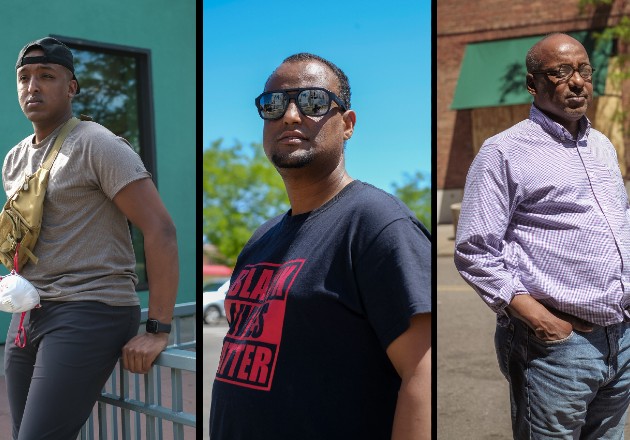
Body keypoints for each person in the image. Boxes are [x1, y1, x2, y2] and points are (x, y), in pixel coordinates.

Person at [209, 53, 432, 439]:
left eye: (313, 102)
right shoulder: (262, 238)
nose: (291, 116)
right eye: (274, 104)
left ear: (347, 124)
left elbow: (423, 374)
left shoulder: (377, 223)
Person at [455, 32, 630, 438]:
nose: (577, 81)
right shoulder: (504, 151)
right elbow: (474, 250)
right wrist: (542, 321)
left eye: (584, 70)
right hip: (556, 348)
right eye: (561, 72)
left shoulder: (602, 146)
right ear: (533, 84)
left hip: (620, 341)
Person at [4, 37, 179, 439]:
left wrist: (158, 328)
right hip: (30, 312)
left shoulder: (97, 143)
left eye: (47, 76)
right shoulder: (14, 159)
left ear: (71, 87)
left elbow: (161, 229)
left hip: (91, 306)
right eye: (24, 77)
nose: (33, 86)